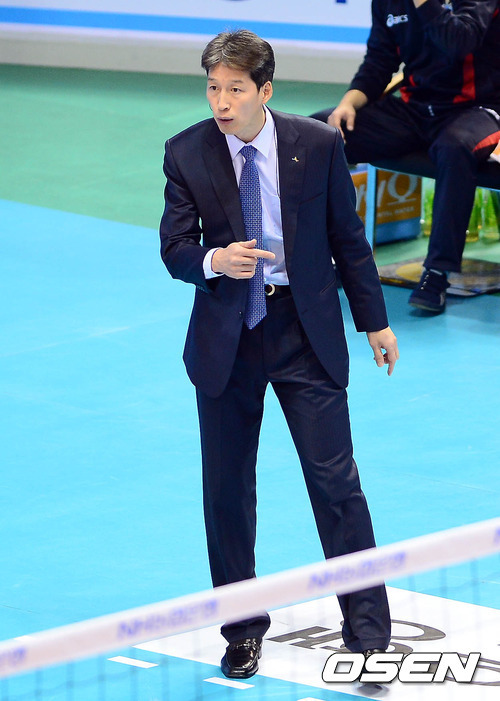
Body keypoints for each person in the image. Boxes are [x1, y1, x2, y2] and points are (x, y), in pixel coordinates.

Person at [160, 29, 399, 680]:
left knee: (336, 483)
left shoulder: (317, 144)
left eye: (235, 89)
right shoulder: (185, 151)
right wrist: (216, 259)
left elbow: (348, 239)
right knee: (226, 493)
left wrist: (375, 322)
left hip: (303, 328)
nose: (221, 102)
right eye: (213, 88)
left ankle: (369, 634)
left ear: (264, 90)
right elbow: (175, 248)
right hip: (227, 338)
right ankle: (241, 630)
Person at [312, 0, 500, 314]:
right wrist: (348, 104)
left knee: (454, 147)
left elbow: (459, 42)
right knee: (320, 133)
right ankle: (331, 255)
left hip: (479, 108)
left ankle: (437, 273)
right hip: (416, 110)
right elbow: (379, 61)